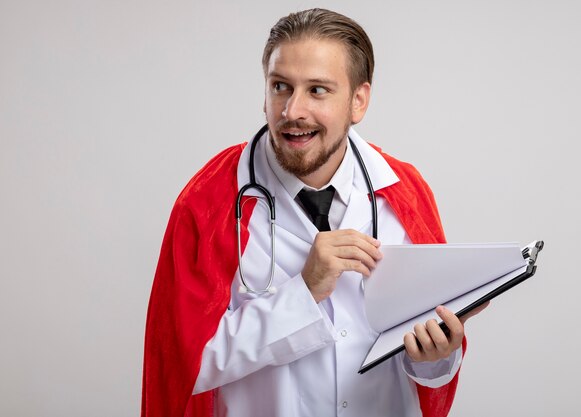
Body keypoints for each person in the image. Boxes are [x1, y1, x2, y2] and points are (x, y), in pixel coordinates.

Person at [142, 8, 487, 417]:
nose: (292, 111)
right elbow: (184, 366)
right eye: (281, 87)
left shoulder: (404, 192)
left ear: (358, 100)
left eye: (317, 90)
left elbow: (428, 368)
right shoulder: (209, 202)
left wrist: (436, 356)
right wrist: (304, 292)